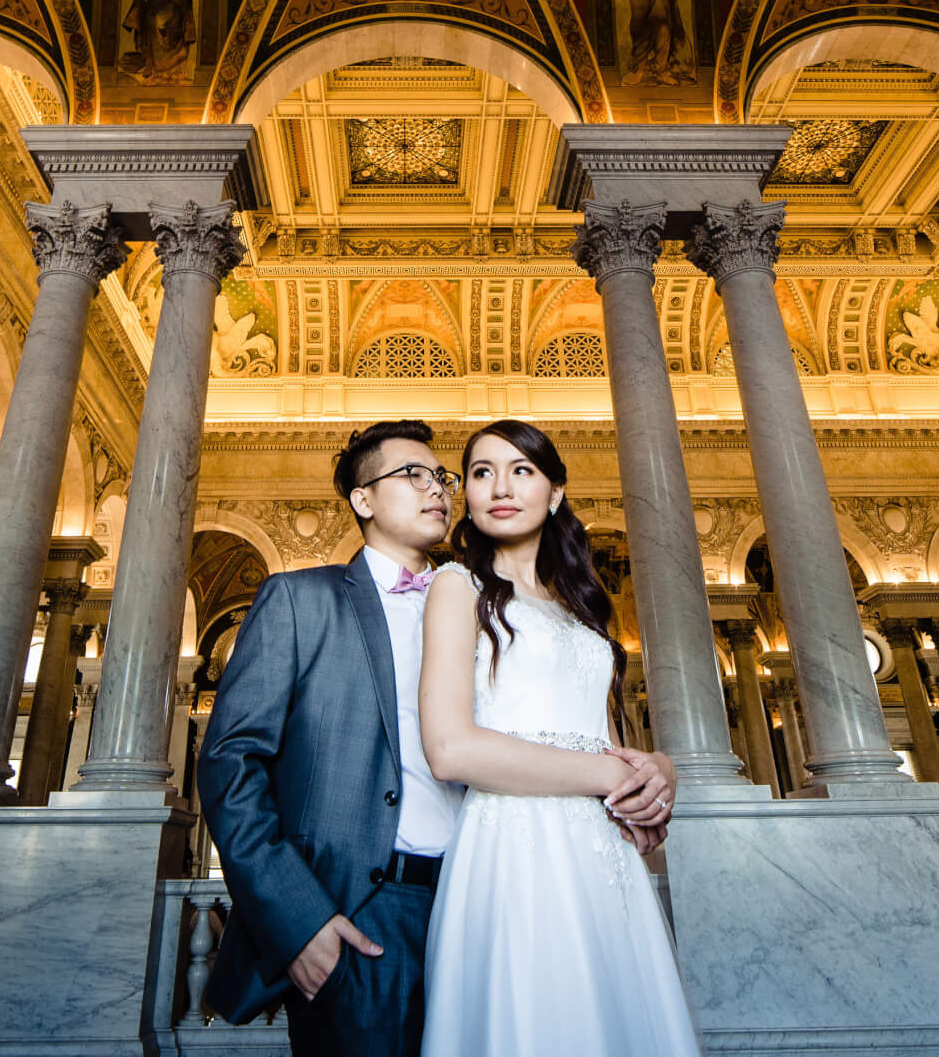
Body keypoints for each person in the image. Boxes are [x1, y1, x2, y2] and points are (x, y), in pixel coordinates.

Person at [198, 420, 677, 1055]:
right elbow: (232, 764)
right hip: (366, 909)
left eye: (443, 476)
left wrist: (656, 769)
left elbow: (565, 721)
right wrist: (297, 918)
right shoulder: (300, 600)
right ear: (363, 499)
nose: (438, 489)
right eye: (412, 475)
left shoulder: (485, 596)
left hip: (496, 885)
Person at [420, 419, 701, 1056]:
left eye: (522, 470)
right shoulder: (455, 587)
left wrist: (657, 771)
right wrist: (610, 777)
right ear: (465, 493)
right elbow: (450, 749)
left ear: (555, 493)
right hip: (512, 844)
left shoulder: (581, 607)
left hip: (602, 849)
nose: (500, 485)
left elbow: (606, 742)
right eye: (482, 471)